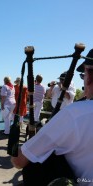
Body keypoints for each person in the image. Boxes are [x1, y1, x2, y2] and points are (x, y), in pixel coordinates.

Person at [11, 49, 93, 185]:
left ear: (89, 75)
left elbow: (19, 161)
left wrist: (18, 150)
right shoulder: (76, 112)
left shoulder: (75, 114)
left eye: (83, 74)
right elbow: (49, 95)